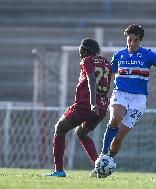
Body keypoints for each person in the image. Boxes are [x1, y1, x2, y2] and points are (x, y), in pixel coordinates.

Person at [94, 24, 156, 175]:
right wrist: (103, 91)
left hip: (139, 99)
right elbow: (110, 74)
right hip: (121, 93)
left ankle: (108, 160)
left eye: (135, 40)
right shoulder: (119, 55)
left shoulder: (148, 55)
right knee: (115, 118)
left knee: (118, 139)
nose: (131, 43)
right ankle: (103, 156)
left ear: (140, 40)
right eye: (129, 40)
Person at [45, 38, 112, 177]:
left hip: (86, 104)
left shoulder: (87, 60)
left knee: (60, 128)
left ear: (86, 50)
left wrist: (92, 102)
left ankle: (59, 171)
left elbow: (92, 79)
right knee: (81, 133)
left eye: (81, 49)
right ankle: (98, 167)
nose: (79, 52)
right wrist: (99, 103)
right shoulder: (106, 63)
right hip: (103, 106)